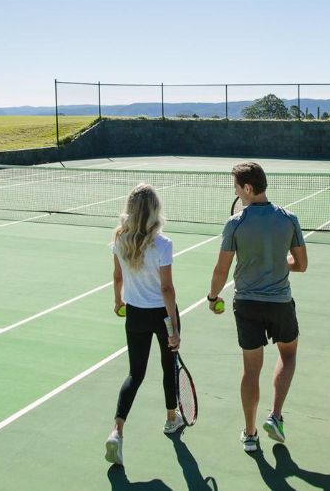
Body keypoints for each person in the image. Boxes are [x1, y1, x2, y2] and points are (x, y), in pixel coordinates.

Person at [207, 161, 308, 453]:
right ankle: (275, 416)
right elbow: (301, 264)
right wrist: (279, 262)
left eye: (237, 188)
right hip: (280, 304)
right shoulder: (289, 219)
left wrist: (213, 297)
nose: (235, 193)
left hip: (246, 305)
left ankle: (250, 434)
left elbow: (221, 269)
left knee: (251, 370)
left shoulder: (235, 223)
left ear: (248, 188)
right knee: (288, 355)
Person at [105, 183, 183, 466]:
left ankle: (117, 431)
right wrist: (174, 328)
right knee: (168, 366)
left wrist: (118, 301)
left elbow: (117, 277)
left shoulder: (119, 239)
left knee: (135, 374)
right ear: (154, 210)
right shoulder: (163, 244)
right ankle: (171, 419)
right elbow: (167, 289)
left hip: (135, 314)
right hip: (162, 316)